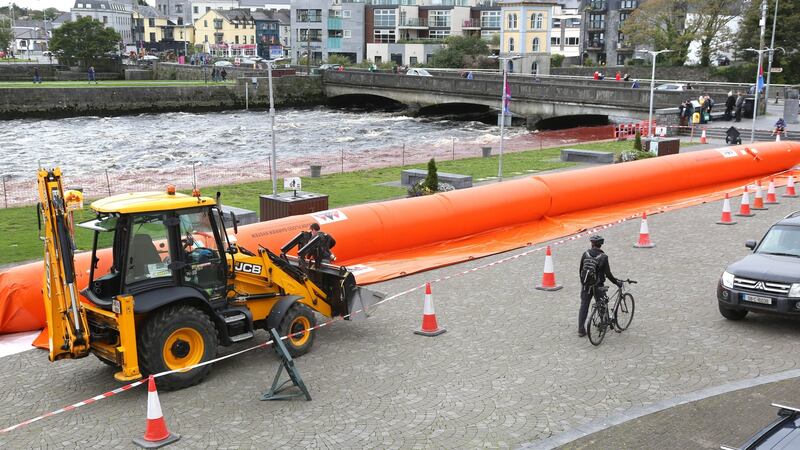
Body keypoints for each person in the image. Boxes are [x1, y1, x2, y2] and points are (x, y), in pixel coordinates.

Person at [578, 235, 621, 337]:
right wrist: (616, 283)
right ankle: (603, 323)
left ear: (591, 243)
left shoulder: (585, 254)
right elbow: (608, 274)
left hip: (586, 286)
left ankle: (581, 330)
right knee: (601, 304)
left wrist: (584, 283)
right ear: (601, 244)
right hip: (598, 286)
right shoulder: (603, 257)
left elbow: (580, 270)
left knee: (584, 306)